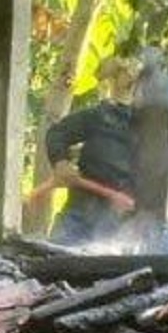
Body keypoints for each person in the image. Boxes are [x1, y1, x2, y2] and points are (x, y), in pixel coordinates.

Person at [46, 56, 142, 245]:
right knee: (54, 261)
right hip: (80, 211)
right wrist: (61, 162)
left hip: (122, 223)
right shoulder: (98, 116)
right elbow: (58, 133)